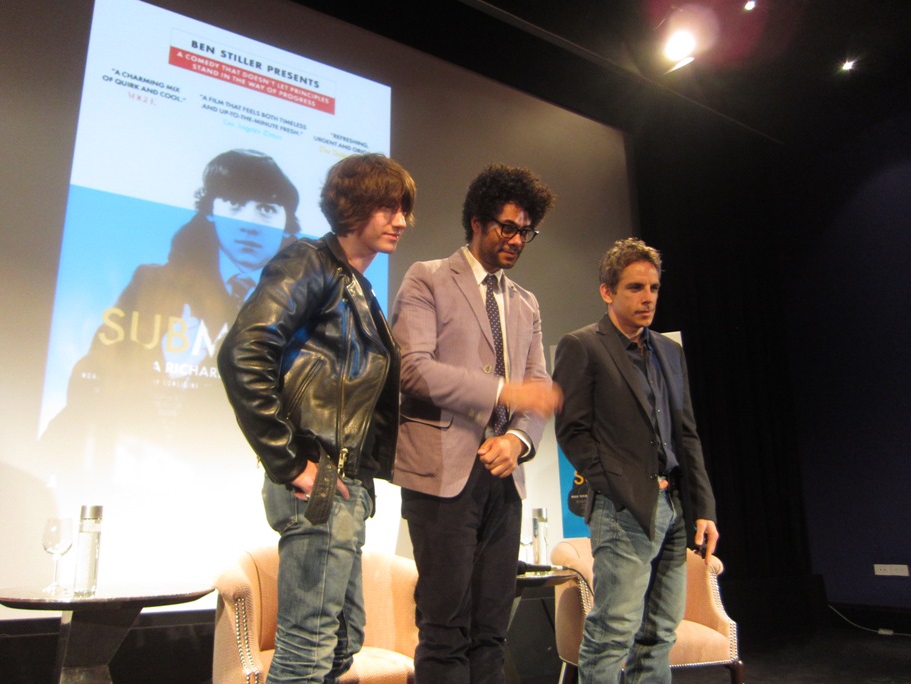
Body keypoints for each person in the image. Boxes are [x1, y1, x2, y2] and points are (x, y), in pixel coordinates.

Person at [217, 153, 416, 683]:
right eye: (388, 207)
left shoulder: (356, 286)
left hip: (344, 483)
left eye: (403, 209)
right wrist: (290, 461)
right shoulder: (309, 262)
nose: (401, 220)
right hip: (320, 477)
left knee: (337, 646)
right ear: (353, 207)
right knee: (307, 652)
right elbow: (243, 352)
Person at [391, 164, 562, 683]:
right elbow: (413, 369)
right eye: (506, 228)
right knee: (444, 630)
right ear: (476, 222)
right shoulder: (428, 277)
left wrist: (517, 440)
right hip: (444, 476)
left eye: (525, 232)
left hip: (503, 479)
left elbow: (537, 385)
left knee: (492, 631)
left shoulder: (525, 302)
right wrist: (499, 392)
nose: (516, 240)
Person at [42, 148, 301, 467]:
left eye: (266, 209)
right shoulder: (152, 282)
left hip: (253, 465)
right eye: (234, 205)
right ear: (210, 211)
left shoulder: (304, 305)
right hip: (138, 456)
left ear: (286, 221)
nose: (249, 224)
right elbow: (98, 367)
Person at [552, 238, 720, 684]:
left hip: (675, 508)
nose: (648, 298)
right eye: (634, 288)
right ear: (607, 291)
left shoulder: (669, 351)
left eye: (654, 288)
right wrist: (617, 486)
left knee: (660, 632)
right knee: (613, 632)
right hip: (623, 508)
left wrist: (703, 508)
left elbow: (686, 434)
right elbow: (572, 432)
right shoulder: (583, 346)